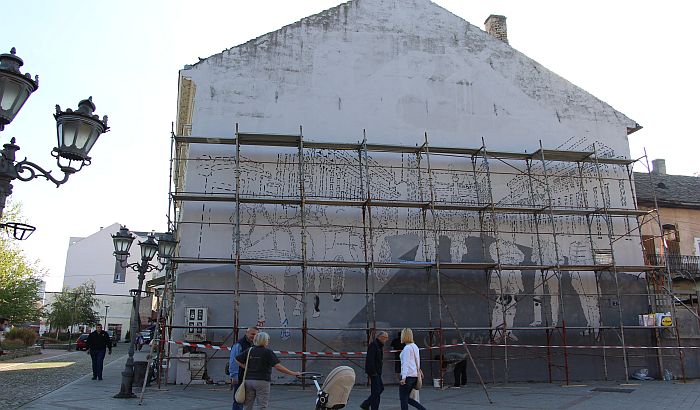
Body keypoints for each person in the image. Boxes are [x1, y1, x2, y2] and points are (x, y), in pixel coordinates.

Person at [236, 331, 300, 410]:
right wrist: (293, 373)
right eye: (268, 339)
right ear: (264, 340)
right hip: (262, 381)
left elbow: (237, 359)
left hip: (249, 380)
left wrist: (246, 367)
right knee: (262, 405)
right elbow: (278, 366)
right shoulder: (268, 352)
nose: (268, 341)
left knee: (247, 405)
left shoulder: (250, 350)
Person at [230, 326, 259, 410]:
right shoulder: (239, 344)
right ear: (247, 333)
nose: (254, 336)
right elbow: (233, 361)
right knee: (238, 400)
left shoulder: (254, 344)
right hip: (240, 376)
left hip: (250, 377)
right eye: (252, 334)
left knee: (248, 400)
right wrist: (234, 376)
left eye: (256, 335)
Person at [399, 328, 426, 410]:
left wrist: (403, 377)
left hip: (408, 376)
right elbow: (417, 361)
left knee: (403, 398)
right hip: (414, 375)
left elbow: (405, 364)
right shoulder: (415, 346)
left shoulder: (407, 348)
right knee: (407, 398)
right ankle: (422, 409)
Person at [360, 331, 389, 410]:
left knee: (380, 389)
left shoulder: (379, 345)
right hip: (374, 372)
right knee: (376, 392)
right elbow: (370, 359)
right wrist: (373, 372)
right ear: (380, 337)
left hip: (377, 371)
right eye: (385, 338)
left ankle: (366, 404)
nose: (386, 339)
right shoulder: (374, 345)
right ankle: (373, 407)